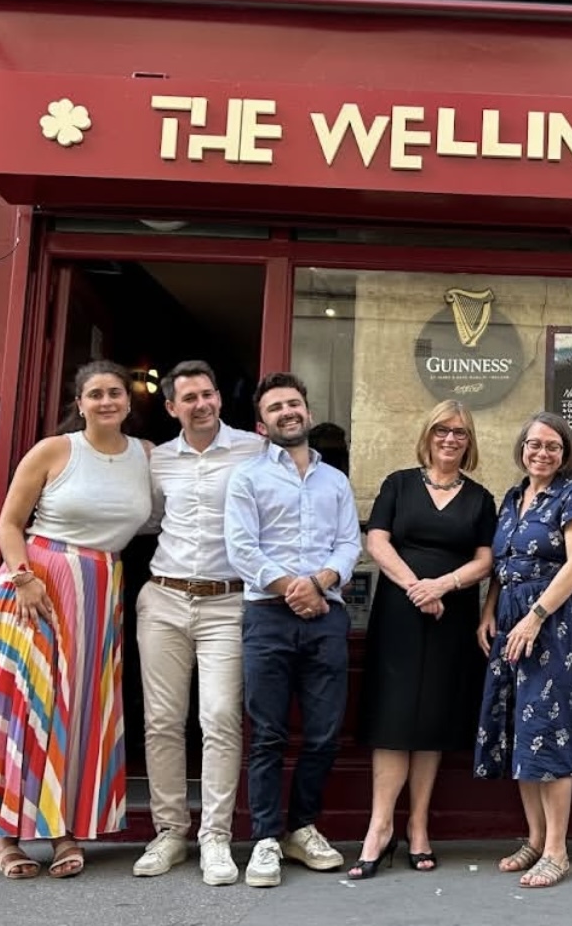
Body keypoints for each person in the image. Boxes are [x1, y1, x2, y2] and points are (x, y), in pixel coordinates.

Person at [0, 360, 152, 879]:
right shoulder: (56, 451)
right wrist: (26, 578)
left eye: (115, 392)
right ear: (79, 403)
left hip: (101, 587)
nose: (106, 401)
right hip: (39, 583)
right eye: (95, 393)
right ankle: (6, 836)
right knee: (29, 706)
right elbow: (9, 524)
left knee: (78, 715)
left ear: (128, 401)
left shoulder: (144, 456)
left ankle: (62, 830)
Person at [224, 372, 361, 889]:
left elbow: (349, 544)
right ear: (263, 423)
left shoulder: (336, 481)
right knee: (268, 734)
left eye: (295, 403)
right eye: (277, 406)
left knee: (324, 734)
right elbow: (242, 548)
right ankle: (264, 837)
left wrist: (320, 582)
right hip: (268, 616)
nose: (289, 412)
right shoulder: (248, 478)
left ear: (306, 411)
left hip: (325, 616)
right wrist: (291, 588)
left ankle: (300, 828)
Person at [131, 360, 265, 886]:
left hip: (228, 602)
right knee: (162, 721)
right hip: (163, 598)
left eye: (208, 394)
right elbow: (139, 517)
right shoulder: (157, 460)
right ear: (171, 407)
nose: (202, 404)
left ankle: (215, 836)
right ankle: (169, 832)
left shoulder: (254, 450)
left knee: (220, 717)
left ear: (219, 398)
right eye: (189, 398)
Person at [350, 400, 496, 879]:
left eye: (460, 433)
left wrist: (444, 586)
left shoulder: (479, 498)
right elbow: (377, 541)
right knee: (393, 718)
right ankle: (378, 827)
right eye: (442, 431)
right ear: (428, 435)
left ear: (469, 441)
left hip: (450, 618)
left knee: (431, 720)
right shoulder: (398, 483)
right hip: (399, 616)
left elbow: (485, 559)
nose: (450, 439)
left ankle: (417, 827)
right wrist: (417, 587)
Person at [475, 411, 572, 889]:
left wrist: (535, 618)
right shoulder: (512, 498)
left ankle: (557, 849)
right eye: (535, 445)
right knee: (518, 728)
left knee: (548, 729)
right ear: (522, 449)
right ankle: (533, 839)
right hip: (510, 619)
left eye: (553, 446)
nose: (543, 453)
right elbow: (502, 564)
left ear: (565, 453)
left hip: (551, 623)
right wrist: (490, 611)